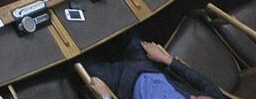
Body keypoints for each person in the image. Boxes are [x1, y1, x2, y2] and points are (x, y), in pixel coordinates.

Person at [83, 36, 225, 99]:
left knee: (80, 62)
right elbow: (199, 79)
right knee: (124, 23)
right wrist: (166, 59)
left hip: (123, 85)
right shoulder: (217, 96)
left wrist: (106, 96)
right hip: (149, 67)